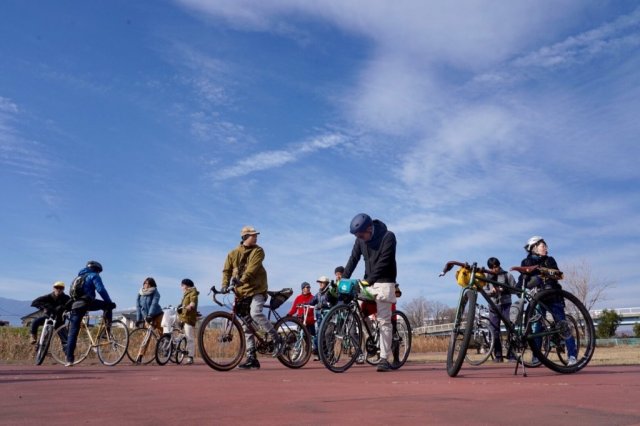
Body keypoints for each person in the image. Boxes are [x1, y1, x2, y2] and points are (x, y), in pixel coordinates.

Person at [222, 225, 284, 370]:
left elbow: (252, 268)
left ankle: (277, 339)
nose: (256, 237)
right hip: (241, 292)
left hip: (257, 289)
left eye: (256, 235)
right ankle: (252, 358)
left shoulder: (258, 251)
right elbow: (226, 271)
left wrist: (241, 280)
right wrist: (225, 285)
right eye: (253, 235)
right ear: (245, 237)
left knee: (255, 313)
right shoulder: (232, 254)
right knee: (245, 325)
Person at [342, 213, 397, 372]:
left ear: (369, 228)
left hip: (385, 281)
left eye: (361, 234)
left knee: (384, 320)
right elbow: (353, 259)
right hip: (369, 282)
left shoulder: (388, 237)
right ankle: (374, 339)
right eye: (357, 236)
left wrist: (370, 279)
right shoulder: (359, 240)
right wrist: (343, 280)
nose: (360, 238)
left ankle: (384, 358)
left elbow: (385, 261)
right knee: (358, 310)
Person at [519, 236, 577, 366]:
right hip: (537, 298)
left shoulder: (550, 260)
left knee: (563, 325)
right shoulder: (526, 262)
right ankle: (536, 356)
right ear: (534, 247)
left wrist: (541, 273)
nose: (545, 248)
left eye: (546, 246)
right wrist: (518, 288)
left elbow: (558, 274)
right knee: (537, 328)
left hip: (553, 296)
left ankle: (572, 356)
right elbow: (523, 278)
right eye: (542, 246)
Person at [65, 260, 116, 367]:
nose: (99, 274)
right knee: (108, 307)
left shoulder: (77, 278)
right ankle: (106, 333)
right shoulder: (93, 276)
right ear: (96, 269)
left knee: (73, 332)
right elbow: (101, 290)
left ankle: (69, 359)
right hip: (87, 303)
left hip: (75, 305)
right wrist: (109, 302)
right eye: (99, 272)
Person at [485, 257, 516, 362]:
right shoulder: (486, 277)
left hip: (506, 304)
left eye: (496, 266)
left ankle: (511, 355)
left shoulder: (508, 275)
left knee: (511, 329)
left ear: (499, 265)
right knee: (494, 331)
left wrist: (504, 289)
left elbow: (515, 289)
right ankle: (498, 356)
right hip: (493, 306)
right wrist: (491, 292)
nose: (495, 269)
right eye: (492, 268)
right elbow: (484, 291)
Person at [287, 282, 316, 354]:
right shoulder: (298, 298)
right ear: (302, 289)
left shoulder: (313, 298)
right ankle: (297, 351)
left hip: (310, 321)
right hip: (301, 321)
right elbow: (294, 309)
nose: (307, 289)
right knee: (299, 336)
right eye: (306, 287)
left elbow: (314, 309)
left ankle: (315, 352)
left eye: (309, 287)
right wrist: (289, 314)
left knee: (311, 338)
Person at [177, 278, 199, 365]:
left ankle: (190, 357)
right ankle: (180, 353)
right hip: (183, 317)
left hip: (189, 318)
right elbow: (184, 305)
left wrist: (191, 306)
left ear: (187, 285)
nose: (181, 287)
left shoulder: (193, 292)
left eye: (182, 285)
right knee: (181, 335)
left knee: (190, 338)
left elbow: (193, 302)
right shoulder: (185, 294)